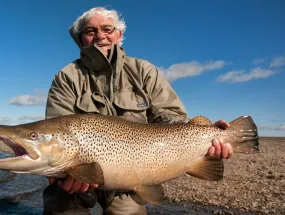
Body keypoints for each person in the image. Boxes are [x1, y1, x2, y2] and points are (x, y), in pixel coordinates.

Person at [43, 7, 233, 215]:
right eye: (90, 31)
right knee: (59, 204)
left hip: (130, 182)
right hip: (77, 176)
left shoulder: (144, 71)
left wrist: (206, 136)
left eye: (107, 29)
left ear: (119, 34)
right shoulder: (67, 77)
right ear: (80, 39)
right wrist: (61, 174)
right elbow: (55, 131)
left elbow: (170, 117)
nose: (100, 36)